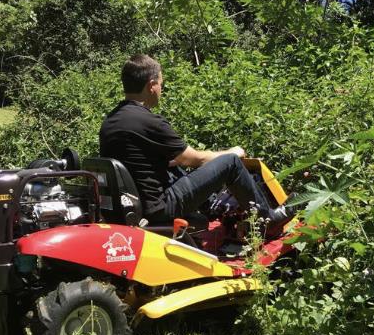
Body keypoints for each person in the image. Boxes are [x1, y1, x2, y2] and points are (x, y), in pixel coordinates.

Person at [99, 54, 293, 229]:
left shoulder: (111, 121)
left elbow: (140, 161)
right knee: (231, 163)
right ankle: (268, 219)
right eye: (161, 84)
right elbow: (195, 159)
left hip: (136, 202)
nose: (161, 90)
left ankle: (212, 207)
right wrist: (233, 152)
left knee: (173, 163)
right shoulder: (148, 121)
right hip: (159, 206)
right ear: (151, 86)